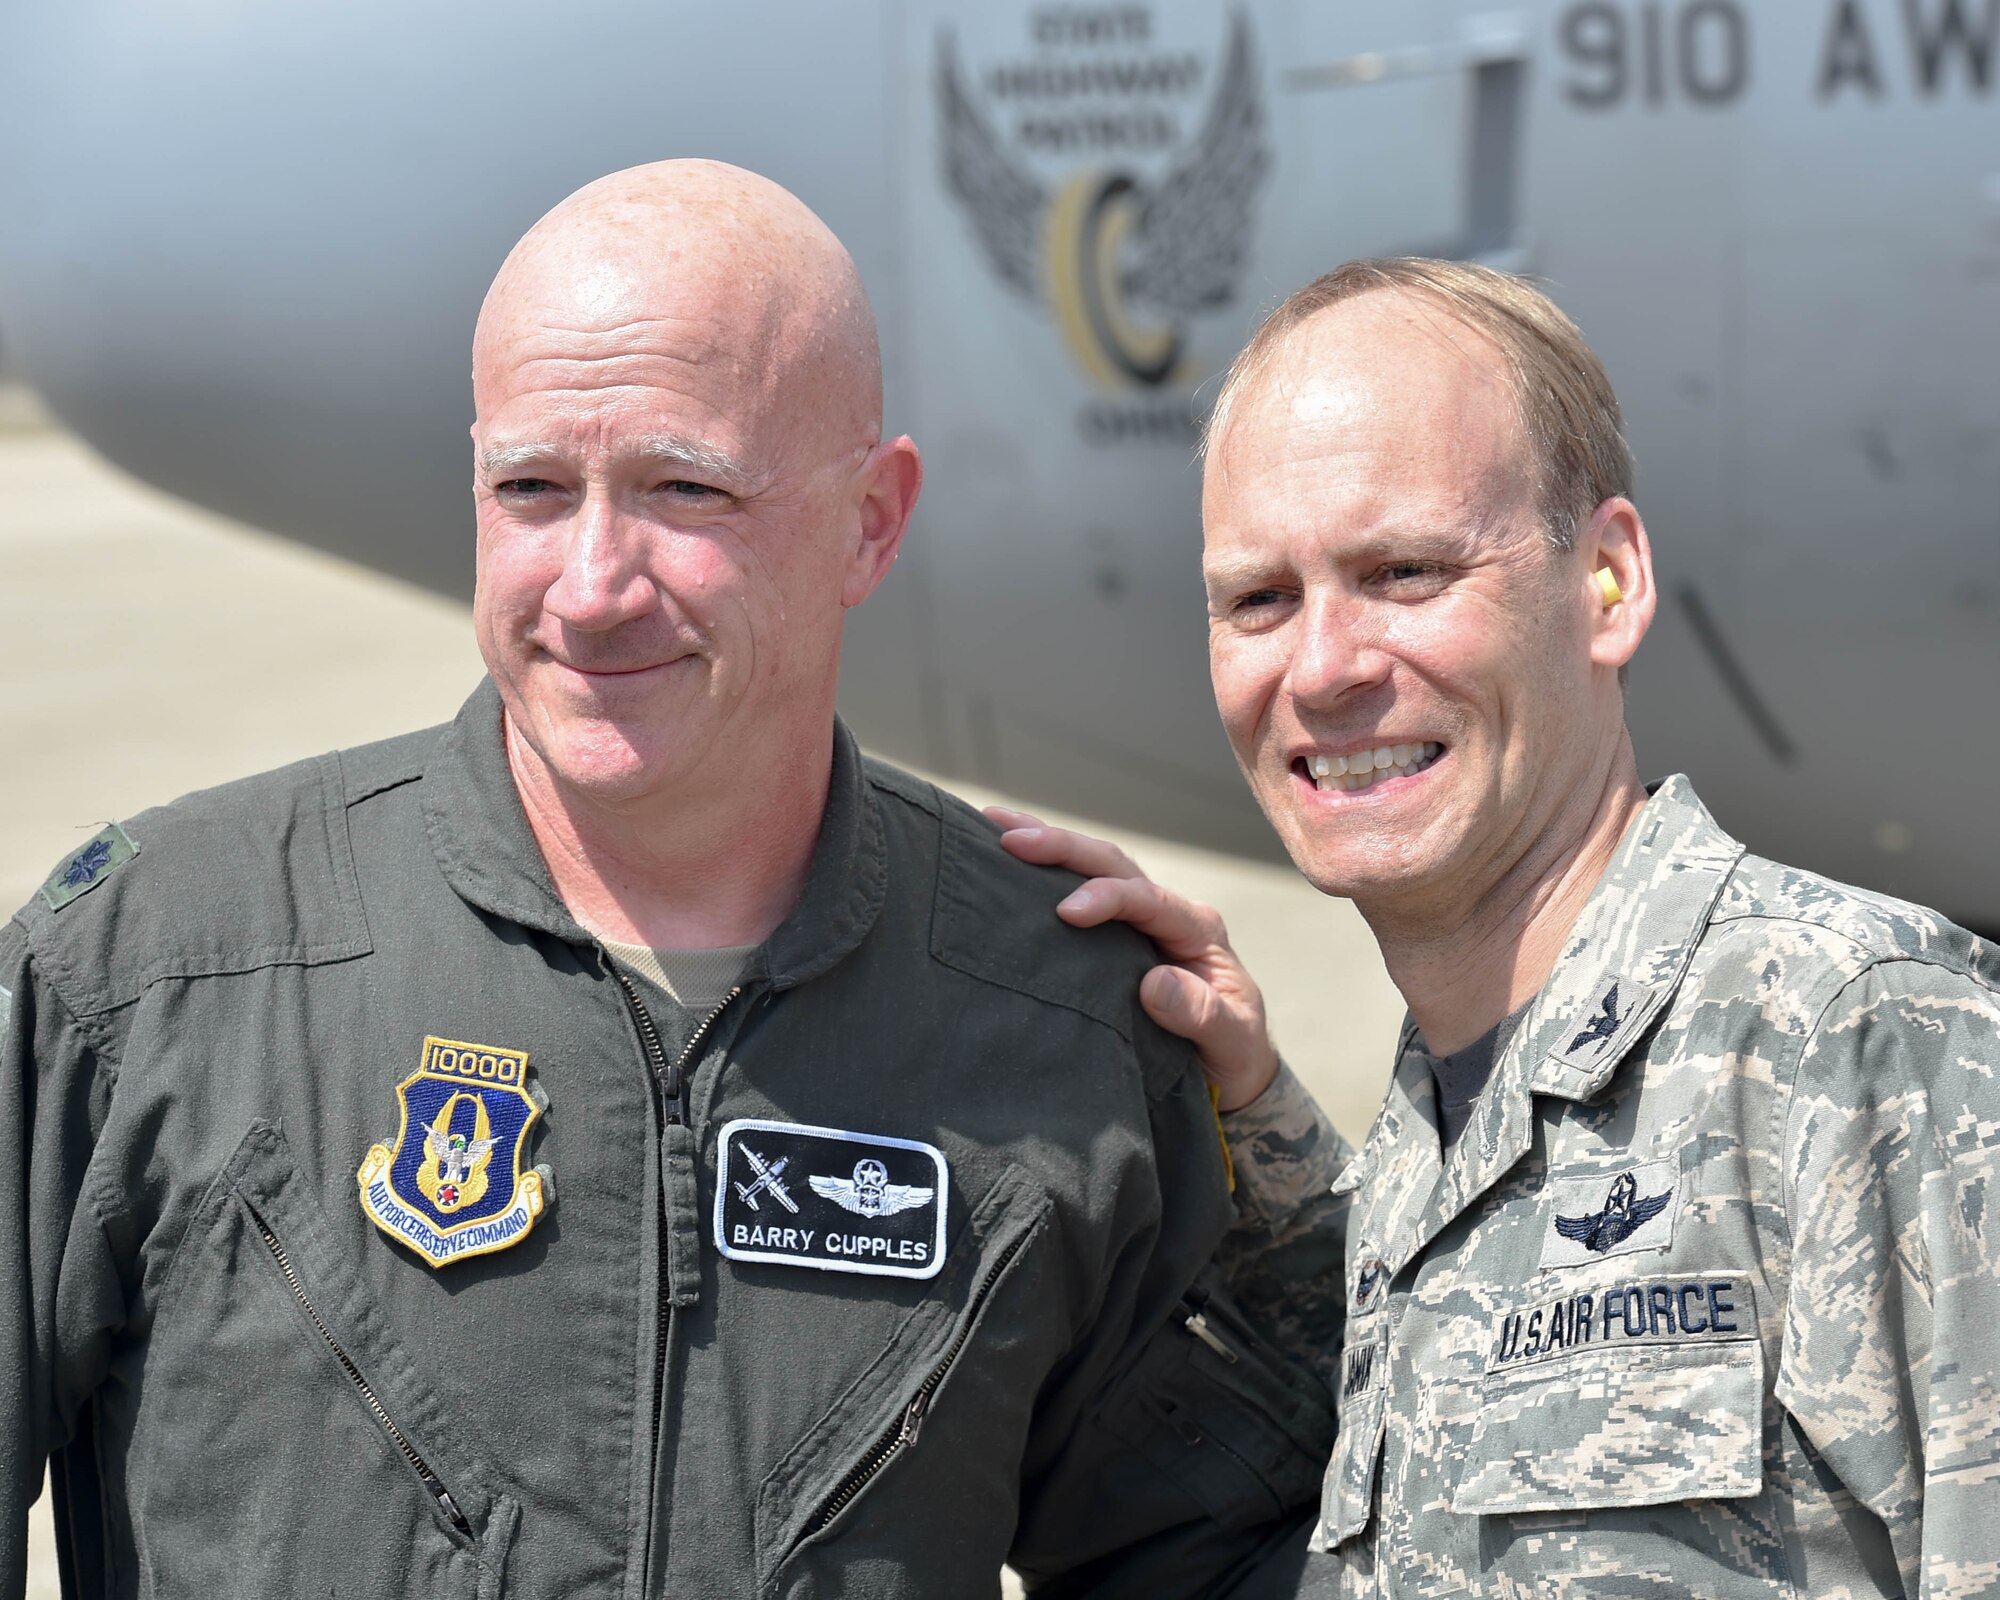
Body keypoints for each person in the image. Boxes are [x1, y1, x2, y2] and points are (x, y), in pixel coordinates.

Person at [0, 161, 1339, 1599]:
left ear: (872, 521)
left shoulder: (1052, 1029)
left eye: (682, 488)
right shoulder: (153, 978)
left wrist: (1272, 1141)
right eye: (530, 489)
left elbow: (1229, 1560)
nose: (590, 585)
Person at [997, 258, 2000, 1596]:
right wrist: (1253, 1117)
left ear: (1609, 581)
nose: (1327, 665)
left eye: (1405, 571)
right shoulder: (1431, 1145)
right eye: (1259, 599)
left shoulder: (1865, 1039)